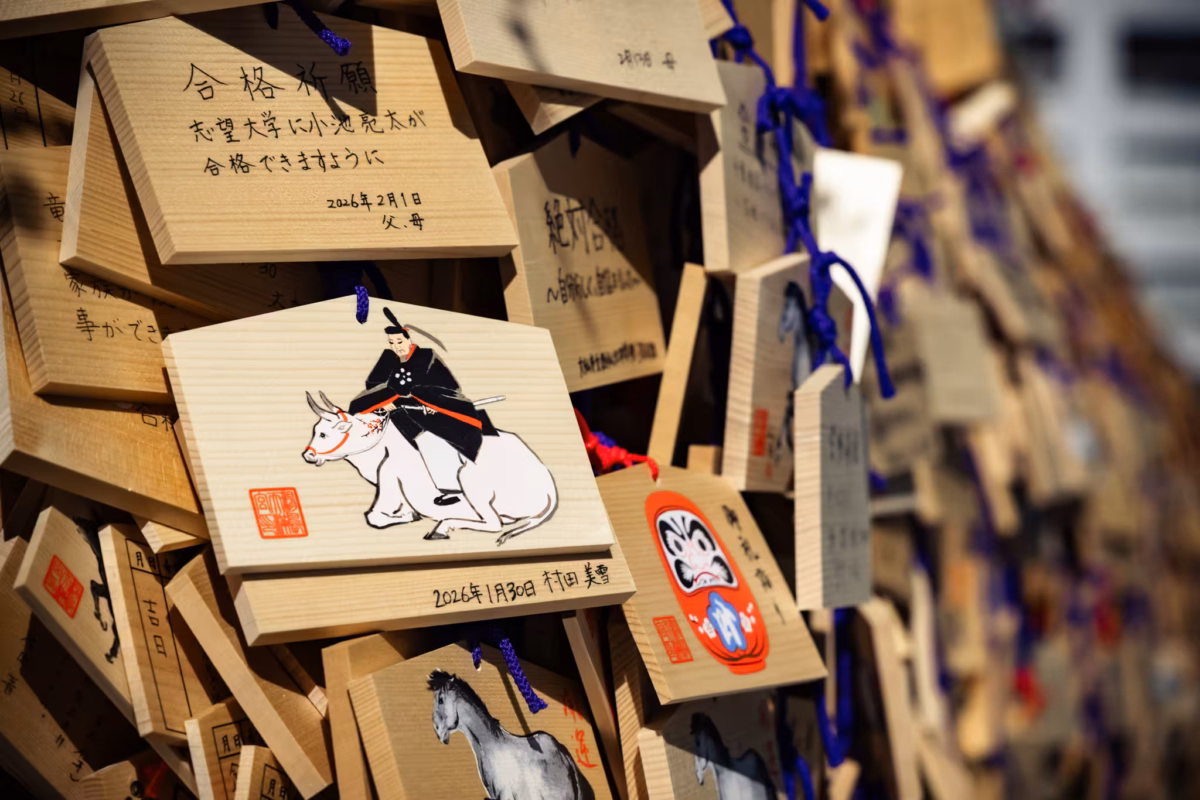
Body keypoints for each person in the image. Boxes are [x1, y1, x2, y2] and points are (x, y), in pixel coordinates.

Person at [348, 308, 488, 505]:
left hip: (434, 409)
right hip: (400, 410)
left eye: (399, 342)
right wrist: (386, 402)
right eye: (392, 343)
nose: (396, 347)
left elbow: (445, 386)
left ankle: (452, 488)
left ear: (408, 340)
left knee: (430, 441)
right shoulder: (389, 360)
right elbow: (375, 385)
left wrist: (432, 402)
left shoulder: (426, 357)